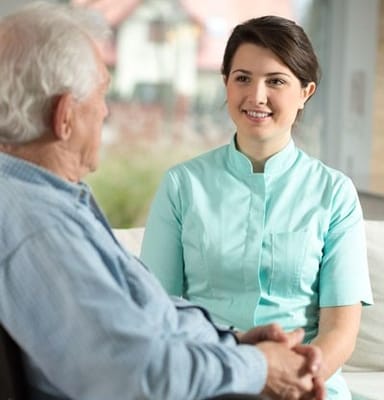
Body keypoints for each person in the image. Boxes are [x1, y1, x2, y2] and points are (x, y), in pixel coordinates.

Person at [0, 3, 326, 400]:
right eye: (102, 95)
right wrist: (260, 367)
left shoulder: (53, 201)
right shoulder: (39, 227)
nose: (105, 112)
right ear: (64, 115)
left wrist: (233, 345)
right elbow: (133, 373)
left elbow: (151, 318)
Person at [140, 15, 373, 400]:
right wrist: (243, 376)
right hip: (210, 381)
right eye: (242, 78)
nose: (256, 96)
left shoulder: (335, 193)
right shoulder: (182, 185)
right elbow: (159, 314)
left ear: (306, 92)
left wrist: (294, 381)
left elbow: (340, 331)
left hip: (308, 385)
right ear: (226, 84)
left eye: (276, 81)